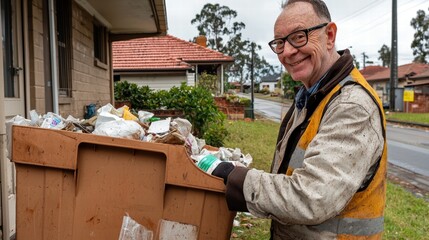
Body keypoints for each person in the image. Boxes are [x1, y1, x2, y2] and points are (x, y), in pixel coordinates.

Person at [201, 0, 388, 239]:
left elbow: (312, 197)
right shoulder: (312, 95)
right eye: (280, 43)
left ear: (329, 35)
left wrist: (236, 178)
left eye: (299, 37)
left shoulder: (351, 106)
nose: (287, 52)